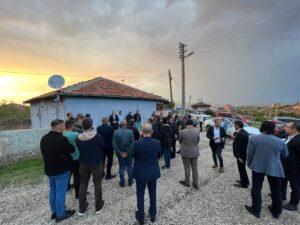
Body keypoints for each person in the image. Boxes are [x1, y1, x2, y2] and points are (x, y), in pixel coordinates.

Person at [245, 121, 289, 219]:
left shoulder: (253, 138)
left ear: (262, 127)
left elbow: (249, 154)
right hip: (275, 168)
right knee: (276, 190)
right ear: (273, 129)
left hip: (257, 167)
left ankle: (256, 210)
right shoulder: (281, 141)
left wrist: (249, 164)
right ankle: (276, 212)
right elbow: (285, 155)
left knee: (256, 188)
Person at [40, 119, 75, 223]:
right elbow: (71, 149)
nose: (64, 127)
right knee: (61, 191)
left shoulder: (44, 138)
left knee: (53, 190)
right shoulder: (61, 139)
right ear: (59, 127)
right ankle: (61, 214)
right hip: (61, 170)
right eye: (63, 126)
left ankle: (54, 211)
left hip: (49, 169)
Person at [133, 124, 161, 225]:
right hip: (152, 171)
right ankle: (153, 214)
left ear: (141, 132)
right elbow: (159, 154)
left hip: (140, 172)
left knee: (140, 194)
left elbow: (133, 155)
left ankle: (141, 216)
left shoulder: (136, 143)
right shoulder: (157, 143)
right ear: (152, 132)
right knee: (152, 193)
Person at [76, 117, 105, 216]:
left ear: (82, 126)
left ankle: (82, 208)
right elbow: (103, 147)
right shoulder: (97, 137)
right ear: (92, 126)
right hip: (96, 163)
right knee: (97, 185)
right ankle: (98, 206)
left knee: (83, 185)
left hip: (83, 163)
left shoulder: (78, 138)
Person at [281, 122, 300, 211]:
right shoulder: (288, 136)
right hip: (285, 166)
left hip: (295, 169)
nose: (285, 128)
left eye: (287, 127)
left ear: (294, 129)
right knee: (283, 181)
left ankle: (293, 204)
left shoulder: (298, 140)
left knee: (295, 186)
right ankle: (282, 195)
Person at [178, 119, 200, 190]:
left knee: (187, 167)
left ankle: (187, 182)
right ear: (192, 124)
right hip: (195, 152)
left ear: (186, 124)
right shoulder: (197, 131)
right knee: (195, 167)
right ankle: (195, 183)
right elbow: (198, 141)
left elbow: (180, 141)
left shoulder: (182, 132)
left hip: (185, 152)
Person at [113, 120, 135, 187]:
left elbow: (114, 144)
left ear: (120, 125)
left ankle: (122, 182)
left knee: (122, 168)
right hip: (128, 153)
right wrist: (127, 152)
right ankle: (130, 181)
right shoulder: (130, 132)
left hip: (121, 153)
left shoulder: (116, 132)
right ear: (126, 125)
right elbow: (132, 143)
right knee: (129, 167)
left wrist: (120, 152)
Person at [63, 119, 80, 199]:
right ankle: (78, 193)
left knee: (68, 174)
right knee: (77, 176)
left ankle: (67, 187)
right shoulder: (75, 134)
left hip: (66, 158)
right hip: (75, 157)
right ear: (72, 126)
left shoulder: (62, 134)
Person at [232, 120, 250, 188]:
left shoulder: (241, 134)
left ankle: (244, 184)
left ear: (237, 125)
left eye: (234, 125)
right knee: (242, 169)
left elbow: (241, 147)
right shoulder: (242, 132)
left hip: (241, 156)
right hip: (241, 155)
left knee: (242, 169)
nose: (234, 126)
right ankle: (245, 180)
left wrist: (240, 157)